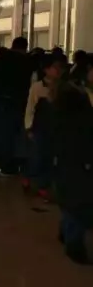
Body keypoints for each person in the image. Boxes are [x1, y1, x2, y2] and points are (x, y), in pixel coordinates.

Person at [49, 80, 93, 264]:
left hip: (62, 162)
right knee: (79, 203)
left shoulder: (57, 114)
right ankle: (73, 245)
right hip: (80, 165)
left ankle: (66, 233)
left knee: (68, 200)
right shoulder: (84, 116)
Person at [0, 37, 33, 176]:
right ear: (25, 47)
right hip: (15, 102)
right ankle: (9, 165)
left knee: (1, 133)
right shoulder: (25, 62)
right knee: (11, 134)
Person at [22, 54, 63, 200]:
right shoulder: (37, 87)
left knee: (49, 157)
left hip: (54, 127)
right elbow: (30, 107)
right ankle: (28, 176)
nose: (58, 70)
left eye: (59, 67)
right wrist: (28, 127)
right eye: (54, 67)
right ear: (46, 69)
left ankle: (43, 185)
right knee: (37, 156)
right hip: (39, 127)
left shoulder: (62, 87)